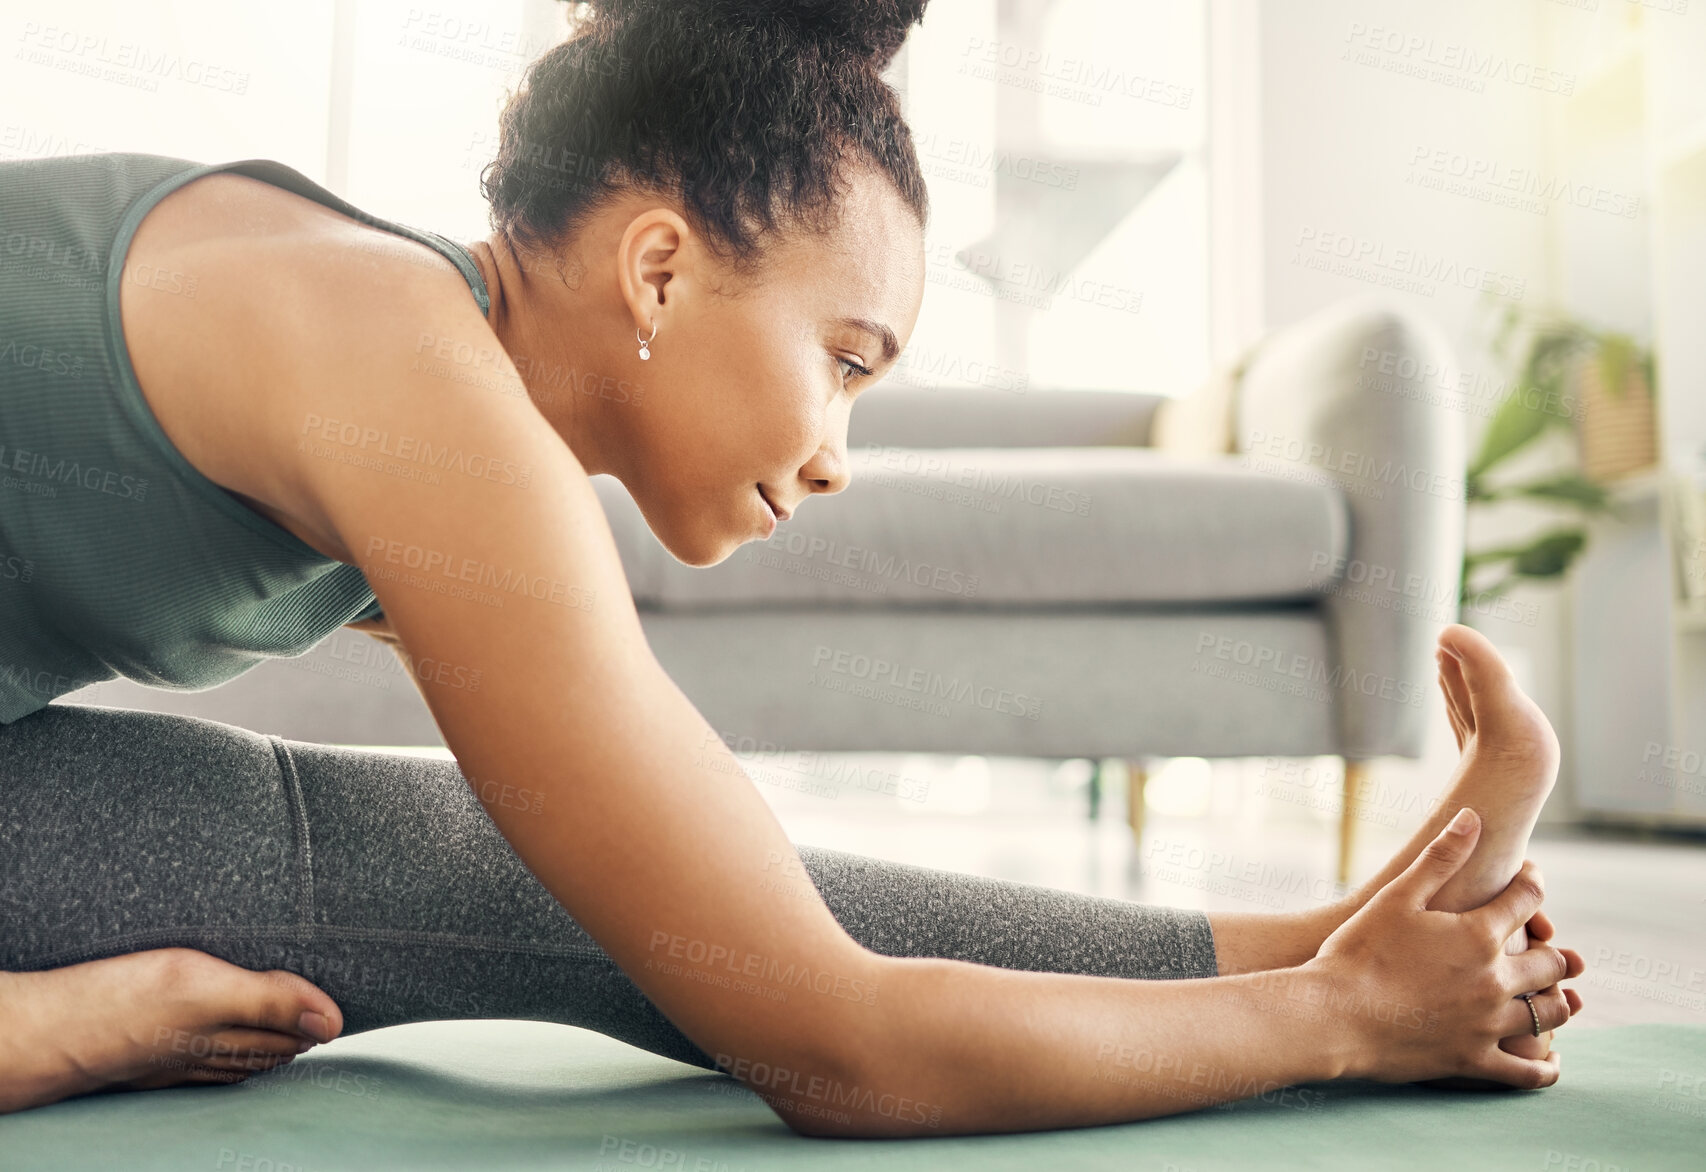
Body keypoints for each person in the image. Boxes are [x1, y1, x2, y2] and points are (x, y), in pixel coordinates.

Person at [0, 0, 1582, 1133]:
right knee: (411, 874)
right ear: (662, 264)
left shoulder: (404, 350)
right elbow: (841, 1053)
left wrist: (1311, 962)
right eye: (842, 357)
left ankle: (1314, 929)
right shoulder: (402, 369)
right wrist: (1328, 1030)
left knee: (588, 880)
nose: (836, 450)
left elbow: (723, 897)